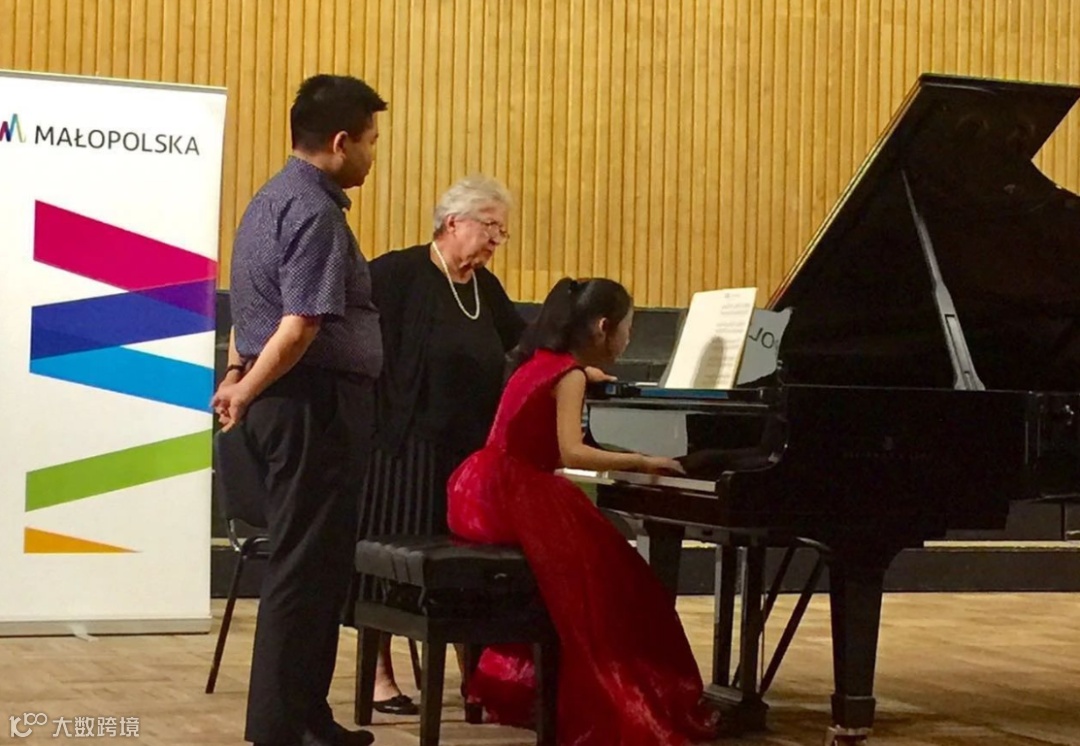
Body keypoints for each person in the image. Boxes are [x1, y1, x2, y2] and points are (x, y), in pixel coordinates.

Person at [446, 278, 721, 746]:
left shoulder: (539, 361)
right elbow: (572, 452)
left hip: (477, 490)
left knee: (601, 574)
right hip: (516, 494)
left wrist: (583, 376)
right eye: (628, 328)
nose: (629, 338)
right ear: (602, 326)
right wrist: (641, 461)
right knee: (619, 585)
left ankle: (542, 682)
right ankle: (620, 693)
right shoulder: (569, 376)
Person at [210, 74, 386, 746]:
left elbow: (247, 313)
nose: (372, 155)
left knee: (310, 569)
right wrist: (247, 388)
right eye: (371, 141)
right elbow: (300, 323)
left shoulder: (267, 201)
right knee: (304, 570)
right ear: (340, 142)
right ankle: (283, 726)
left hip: (283, 399)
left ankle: (305, 716)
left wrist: (237, 375)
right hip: (313, 405)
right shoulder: (315, 213)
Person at [348, 175, 526, 714]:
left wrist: (575, 367)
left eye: (502, 231)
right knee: (390, 565)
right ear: (453, 223)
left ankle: (476, 677)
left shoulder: (483, 287)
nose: (496, 240)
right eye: (491, 227)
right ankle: (379, 675)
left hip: (466, 455)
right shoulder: (397, 273)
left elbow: (524, 345)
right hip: (402, 453)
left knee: (468, 570)